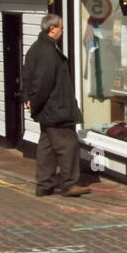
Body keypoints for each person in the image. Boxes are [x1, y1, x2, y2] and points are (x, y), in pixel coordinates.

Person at [22, 14, 89, 196]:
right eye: (61, 28)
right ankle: (69, 184)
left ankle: (44, 185)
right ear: (52, 29)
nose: (62, 31)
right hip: (56, 110)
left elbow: (27, 76)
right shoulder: (48, 52)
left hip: (46, 111)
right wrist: (34, 103)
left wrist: (28, 99)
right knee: (68, 145)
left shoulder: (36, 48)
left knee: (47, 147)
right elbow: (44, 83)